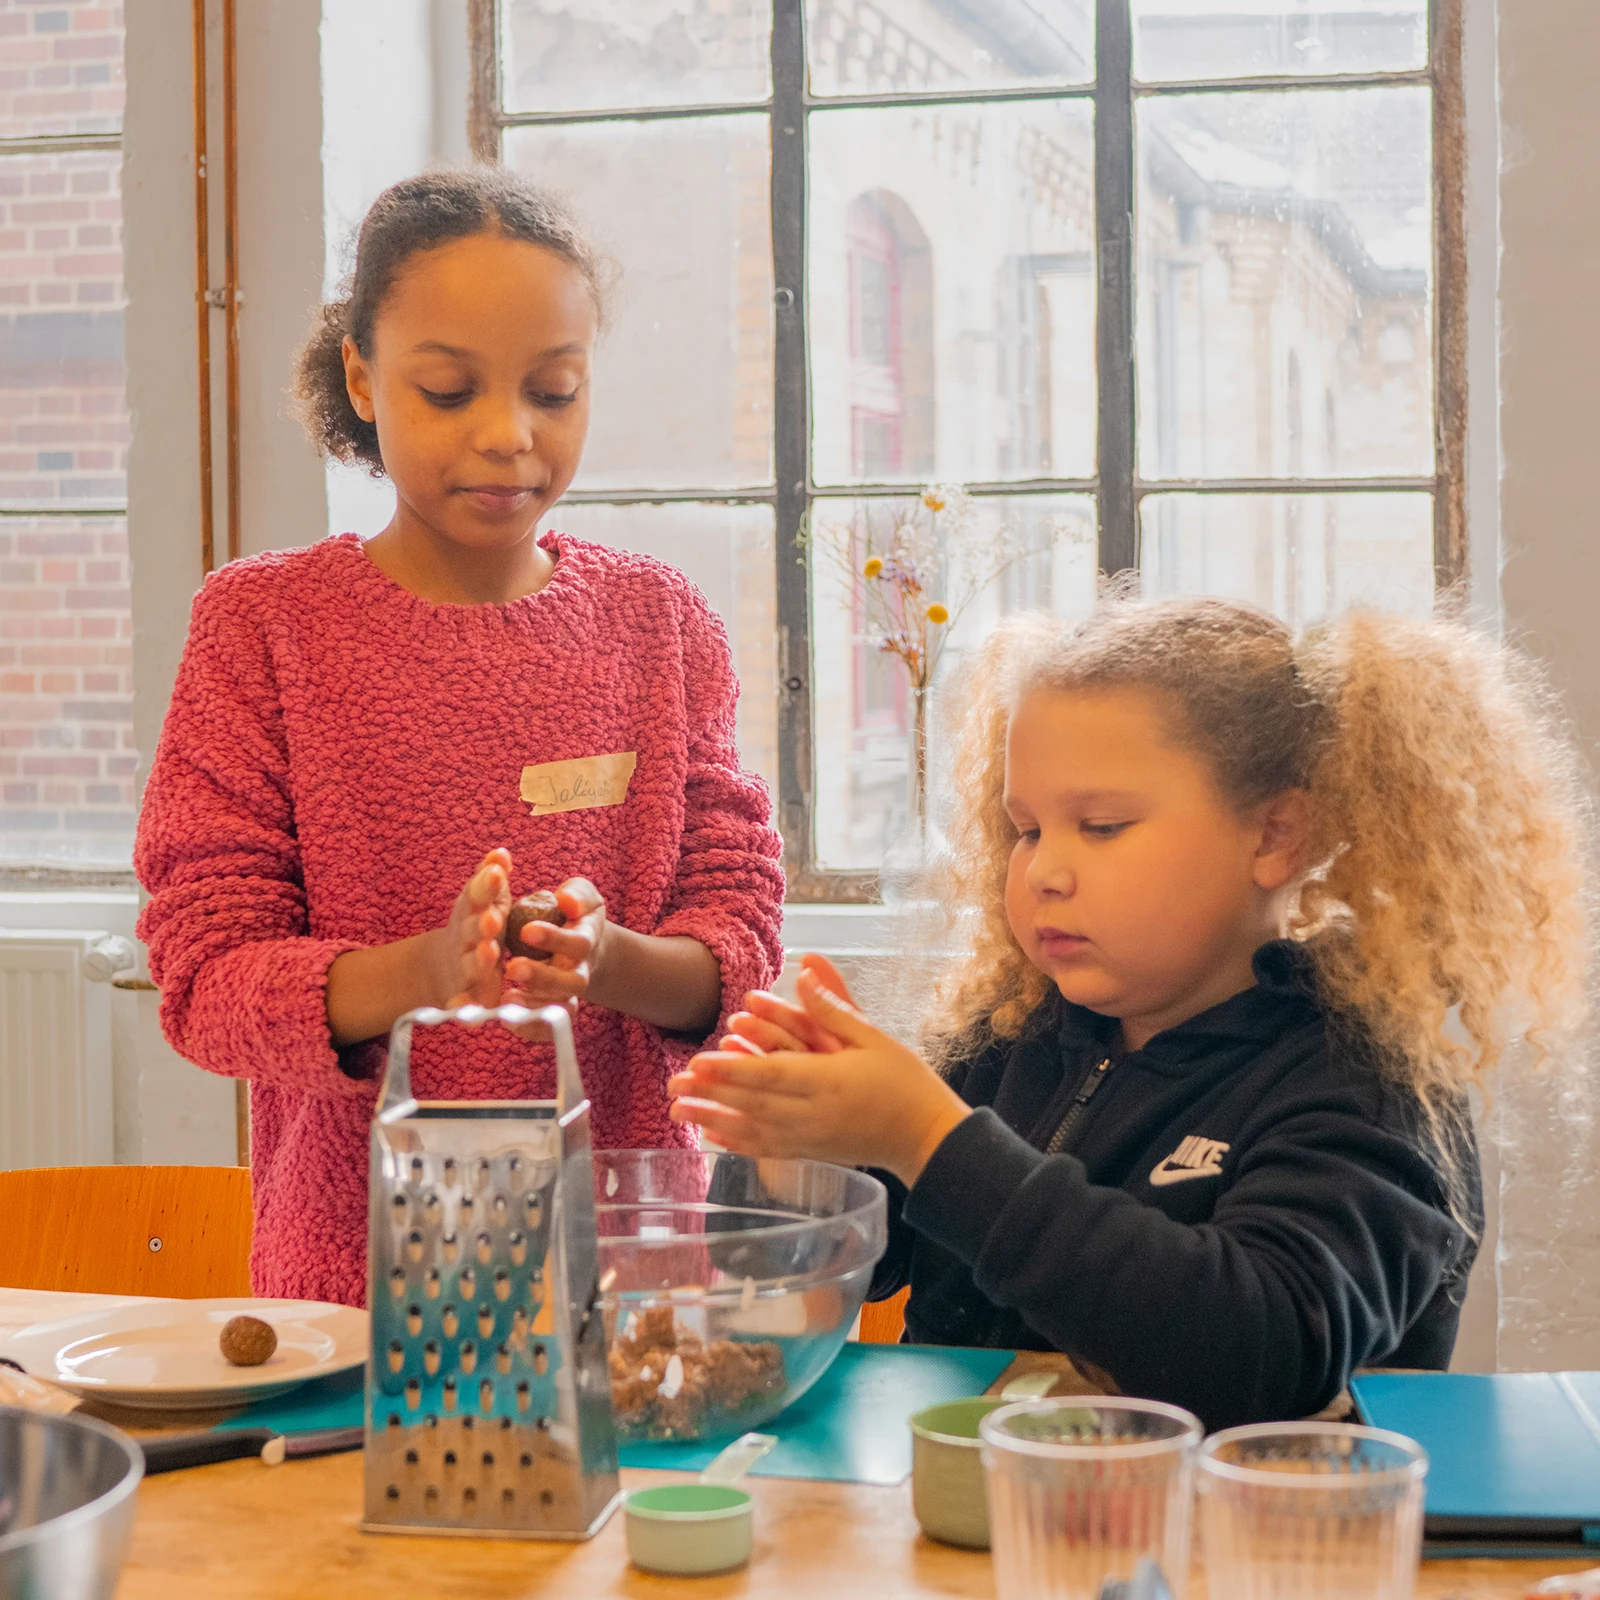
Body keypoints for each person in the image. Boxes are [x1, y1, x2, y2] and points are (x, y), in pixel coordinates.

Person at [669, 597, 1590, 1429]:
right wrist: (788, 1157)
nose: (1044, 870)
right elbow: (783, 1288)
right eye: (1027, 830)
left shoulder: (1370, 1086)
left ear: (1275, 835)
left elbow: (1256, 1360)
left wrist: (930, 1140)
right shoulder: (1010, 1043)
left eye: (1102, 827)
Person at [136, 169, 785, 1306]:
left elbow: (740, 938)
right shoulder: (264, 627)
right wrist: (426, 974)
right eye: (447, 391)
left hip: (628, 1284)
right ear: (362, 378)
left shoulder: (660, 622)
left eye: (554, 390)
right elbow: (204, 978)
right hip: (355, 1290)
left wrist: (608, 960)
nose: (507, 435)